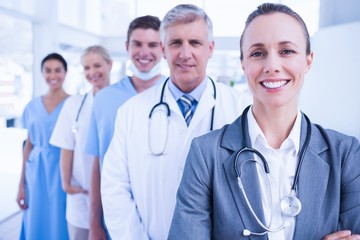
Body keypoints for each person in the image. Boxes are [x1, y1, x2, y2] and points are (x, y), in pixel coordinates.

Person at [168, 3, 360, 240]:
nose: (272, 67)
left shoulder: (346, 154)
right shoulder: (206, 154)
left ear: (308, 60)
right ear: (243, 63)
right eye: (257, 53)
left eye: (287, 51)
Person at [101, 4, 252, 240]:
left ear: (210, 48)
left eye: (195, 43)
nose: (185, 53)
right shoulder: (131, 112)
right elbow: (114, 186)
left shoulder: (242, 108)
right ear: (163, 48)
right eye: (175, 43)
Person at [83, 15, 165, 239]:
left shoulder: (174, 96)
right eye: (137, 44)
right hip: (115, 217)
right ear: (126, 47)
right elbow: (97, 164)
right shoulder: (105, 99)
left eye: (152, 44)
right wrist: (94, 223)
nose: (144, 52)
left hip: (162, 215)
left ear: (163, 48)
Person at [49, 46, 112, 240]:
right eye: (86, 68)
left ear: (109, 64)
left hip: (115, 197)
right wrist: (66, 184)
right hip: (81, 197)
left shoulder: (124, 102)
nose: (92, 72)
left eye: (97, 65)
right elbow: (66, 147)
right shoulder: (74, 105)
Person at [17, 53, 69, 240]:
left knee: (60, 221)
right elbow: (28, 145)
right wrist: (21, 185)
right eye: (48, 71)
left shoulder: (73, 104)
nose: (53, 75)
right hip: (36, 172)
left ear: (65, 73)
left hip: (63, 170)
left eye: (57, 70)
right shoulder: (31, 106)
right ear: (41, 73)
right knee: (35, 221)